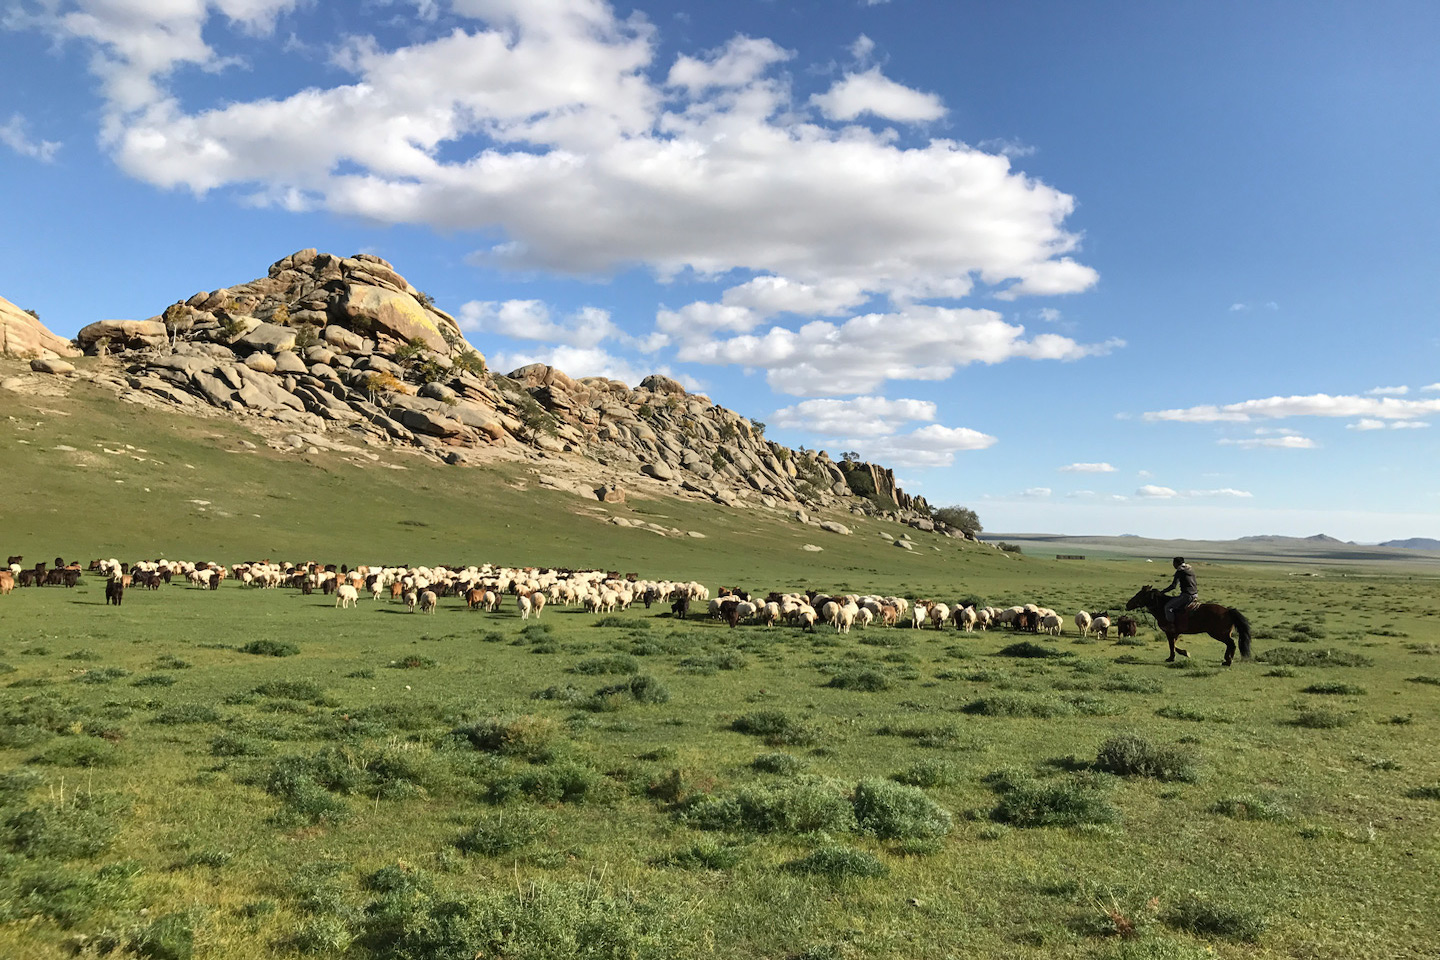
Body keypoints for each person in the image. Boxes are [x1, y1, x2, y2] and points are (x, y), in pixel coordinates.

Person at [1159, 556, 1197, 627]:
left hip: (1187, 595)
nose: (1173, 565)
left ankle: (1171, 626)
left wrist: (1162, 592)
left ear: (1177, 563)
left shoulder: (1180, 571)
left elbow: (1173, 586)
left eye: (1174, 563)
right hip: (1195, 595)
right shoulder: (1190, 569)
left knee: (1168, 607)